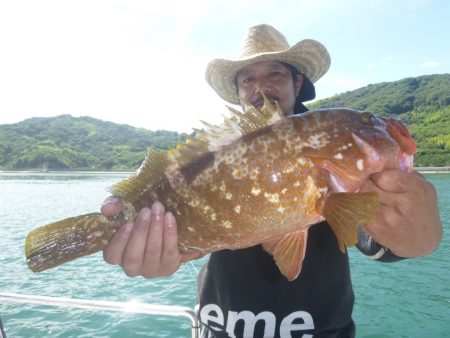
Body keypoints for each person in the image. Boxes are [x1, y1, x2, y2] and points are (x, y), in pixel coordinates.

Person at [101, 24, 442, 337]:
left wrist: (418, 238)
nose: (260, 87)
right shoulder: (222, 149)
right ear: (237, 93)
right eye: (246, 79)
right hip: (218, 327)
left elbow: (379, 242)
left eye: (275, 73)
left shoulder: (329, 144)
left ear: (297, 83)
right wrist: (152, 247)